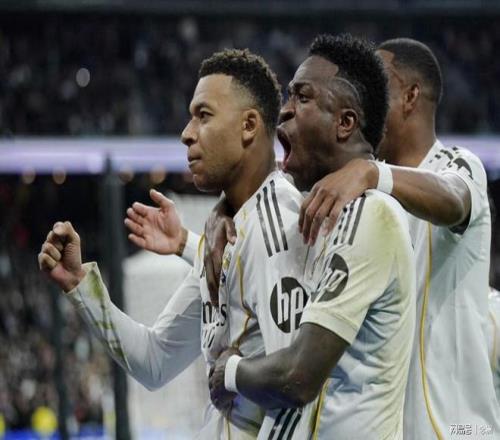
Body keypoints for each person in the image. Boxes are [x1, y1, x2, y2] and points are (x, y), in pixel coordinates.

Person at [38, 48, 304, 439]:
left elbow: (298, 389)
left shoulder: (278, 224)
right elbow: (154, 362)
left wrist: (232, 373)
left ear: (249, 125)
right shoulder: (223, 241)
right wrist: (82, 286)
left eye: (203, 115)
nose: (187, 133)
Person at [208, 34, 416, 439]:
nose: (284, 110)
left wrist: (228, 371)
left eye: (302, 97)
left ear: (344, 123)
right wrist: (223, 210)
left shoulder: (371, 215)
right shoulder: (320, 215)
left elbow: (297, 378)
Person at [294, 38, 500, 437]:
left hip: (456, 429)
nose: (367, 101)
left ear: (410, 96)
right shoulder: (360, 195)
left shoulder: (457, 165)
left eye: (379, 87)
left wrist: (372, 172)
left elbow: (454, 199)